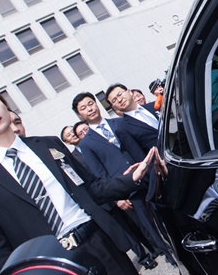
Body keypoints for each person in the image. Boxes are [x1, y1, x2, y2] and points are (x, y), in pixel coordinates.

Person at [0, 85, 158, 275]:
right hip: (48, 265)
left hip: (100, 243)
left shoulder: (49, 146)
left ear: (5, 106)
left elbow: (93, 188)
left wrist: (131, 178)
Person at [72, 92, 175, 265]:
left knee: (168, 212)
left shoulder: (119, 122)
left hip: (149, 177)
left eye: (91, 103)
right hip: (128, 189)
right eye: (84, 108)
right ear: (79, 115)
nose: (90, 109)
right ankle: (171, 257)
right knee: (151, 226)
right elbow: (100, 174)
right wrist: (117, 197)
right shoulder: (86, 144)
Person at [106, 83, 159, 153]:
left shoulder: (154, 105)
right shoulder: (122, 129)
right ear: (114, 107)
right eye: (114, 100)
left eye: (120, 94)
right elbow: (139, 155)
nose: (119, 100)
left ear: (129, 92)